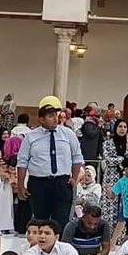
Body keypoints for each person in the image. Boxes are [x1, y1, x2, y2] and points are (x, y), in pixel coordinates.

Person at [14, 97, 86, 228]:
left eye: (55, 115)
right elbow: (22, 161)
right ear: (41, 119)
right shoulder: (31, 136)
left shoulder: (68, 134)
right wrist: (20, 185)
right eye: (50, 116)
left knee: (61, 220)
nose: (54, 119)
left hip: (62, 182)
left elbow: (77, 157)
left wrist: (75, 178)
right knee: (40, 220)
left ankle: (59, 241)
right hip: (39, 183)